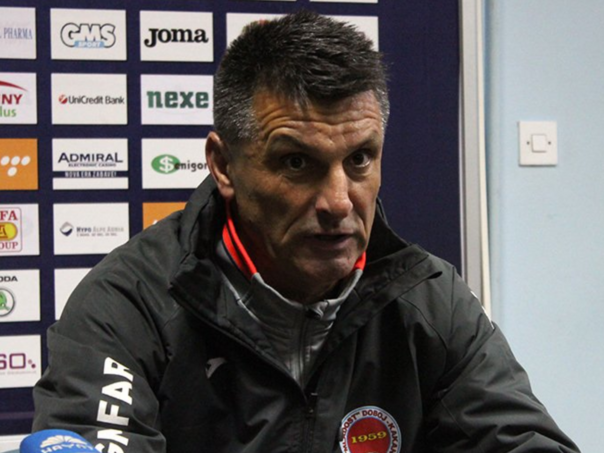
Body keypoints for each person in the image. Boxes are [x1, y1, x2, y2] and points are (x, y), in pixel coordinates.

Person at [33, 10, 580, 453]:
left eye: (360, 159)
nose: (338, 201)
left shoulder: (430, 303)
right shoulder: (128, 306)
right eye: (297, 163)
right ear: (224, 166)